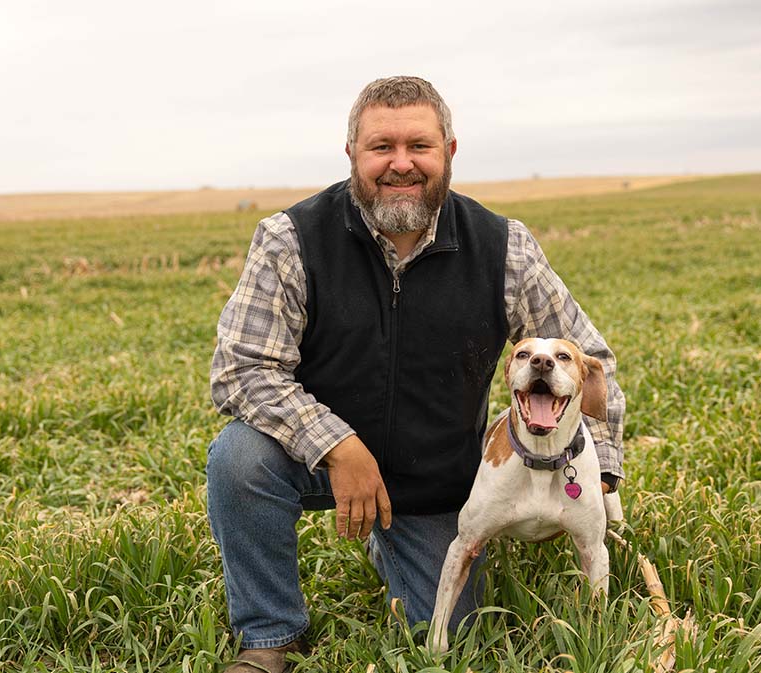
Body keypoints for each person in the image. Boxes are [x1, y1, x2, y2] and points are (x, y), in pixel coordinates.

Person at [207, 75, 625, 672]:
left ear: (448, 152)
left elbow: (588, 358)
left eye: (419, 147)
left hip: (438, 477)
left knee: (457, 630)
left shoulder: (504, 247)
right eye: (381, 146)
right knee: (239, 459)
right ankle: (271, 635)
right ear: (351, 152)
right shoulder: (290, 239)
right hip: (323, 460)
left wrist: (597, 469)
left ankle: (394, 541)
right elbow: (241, 370)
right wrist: (338, 446)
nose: (400, 164)